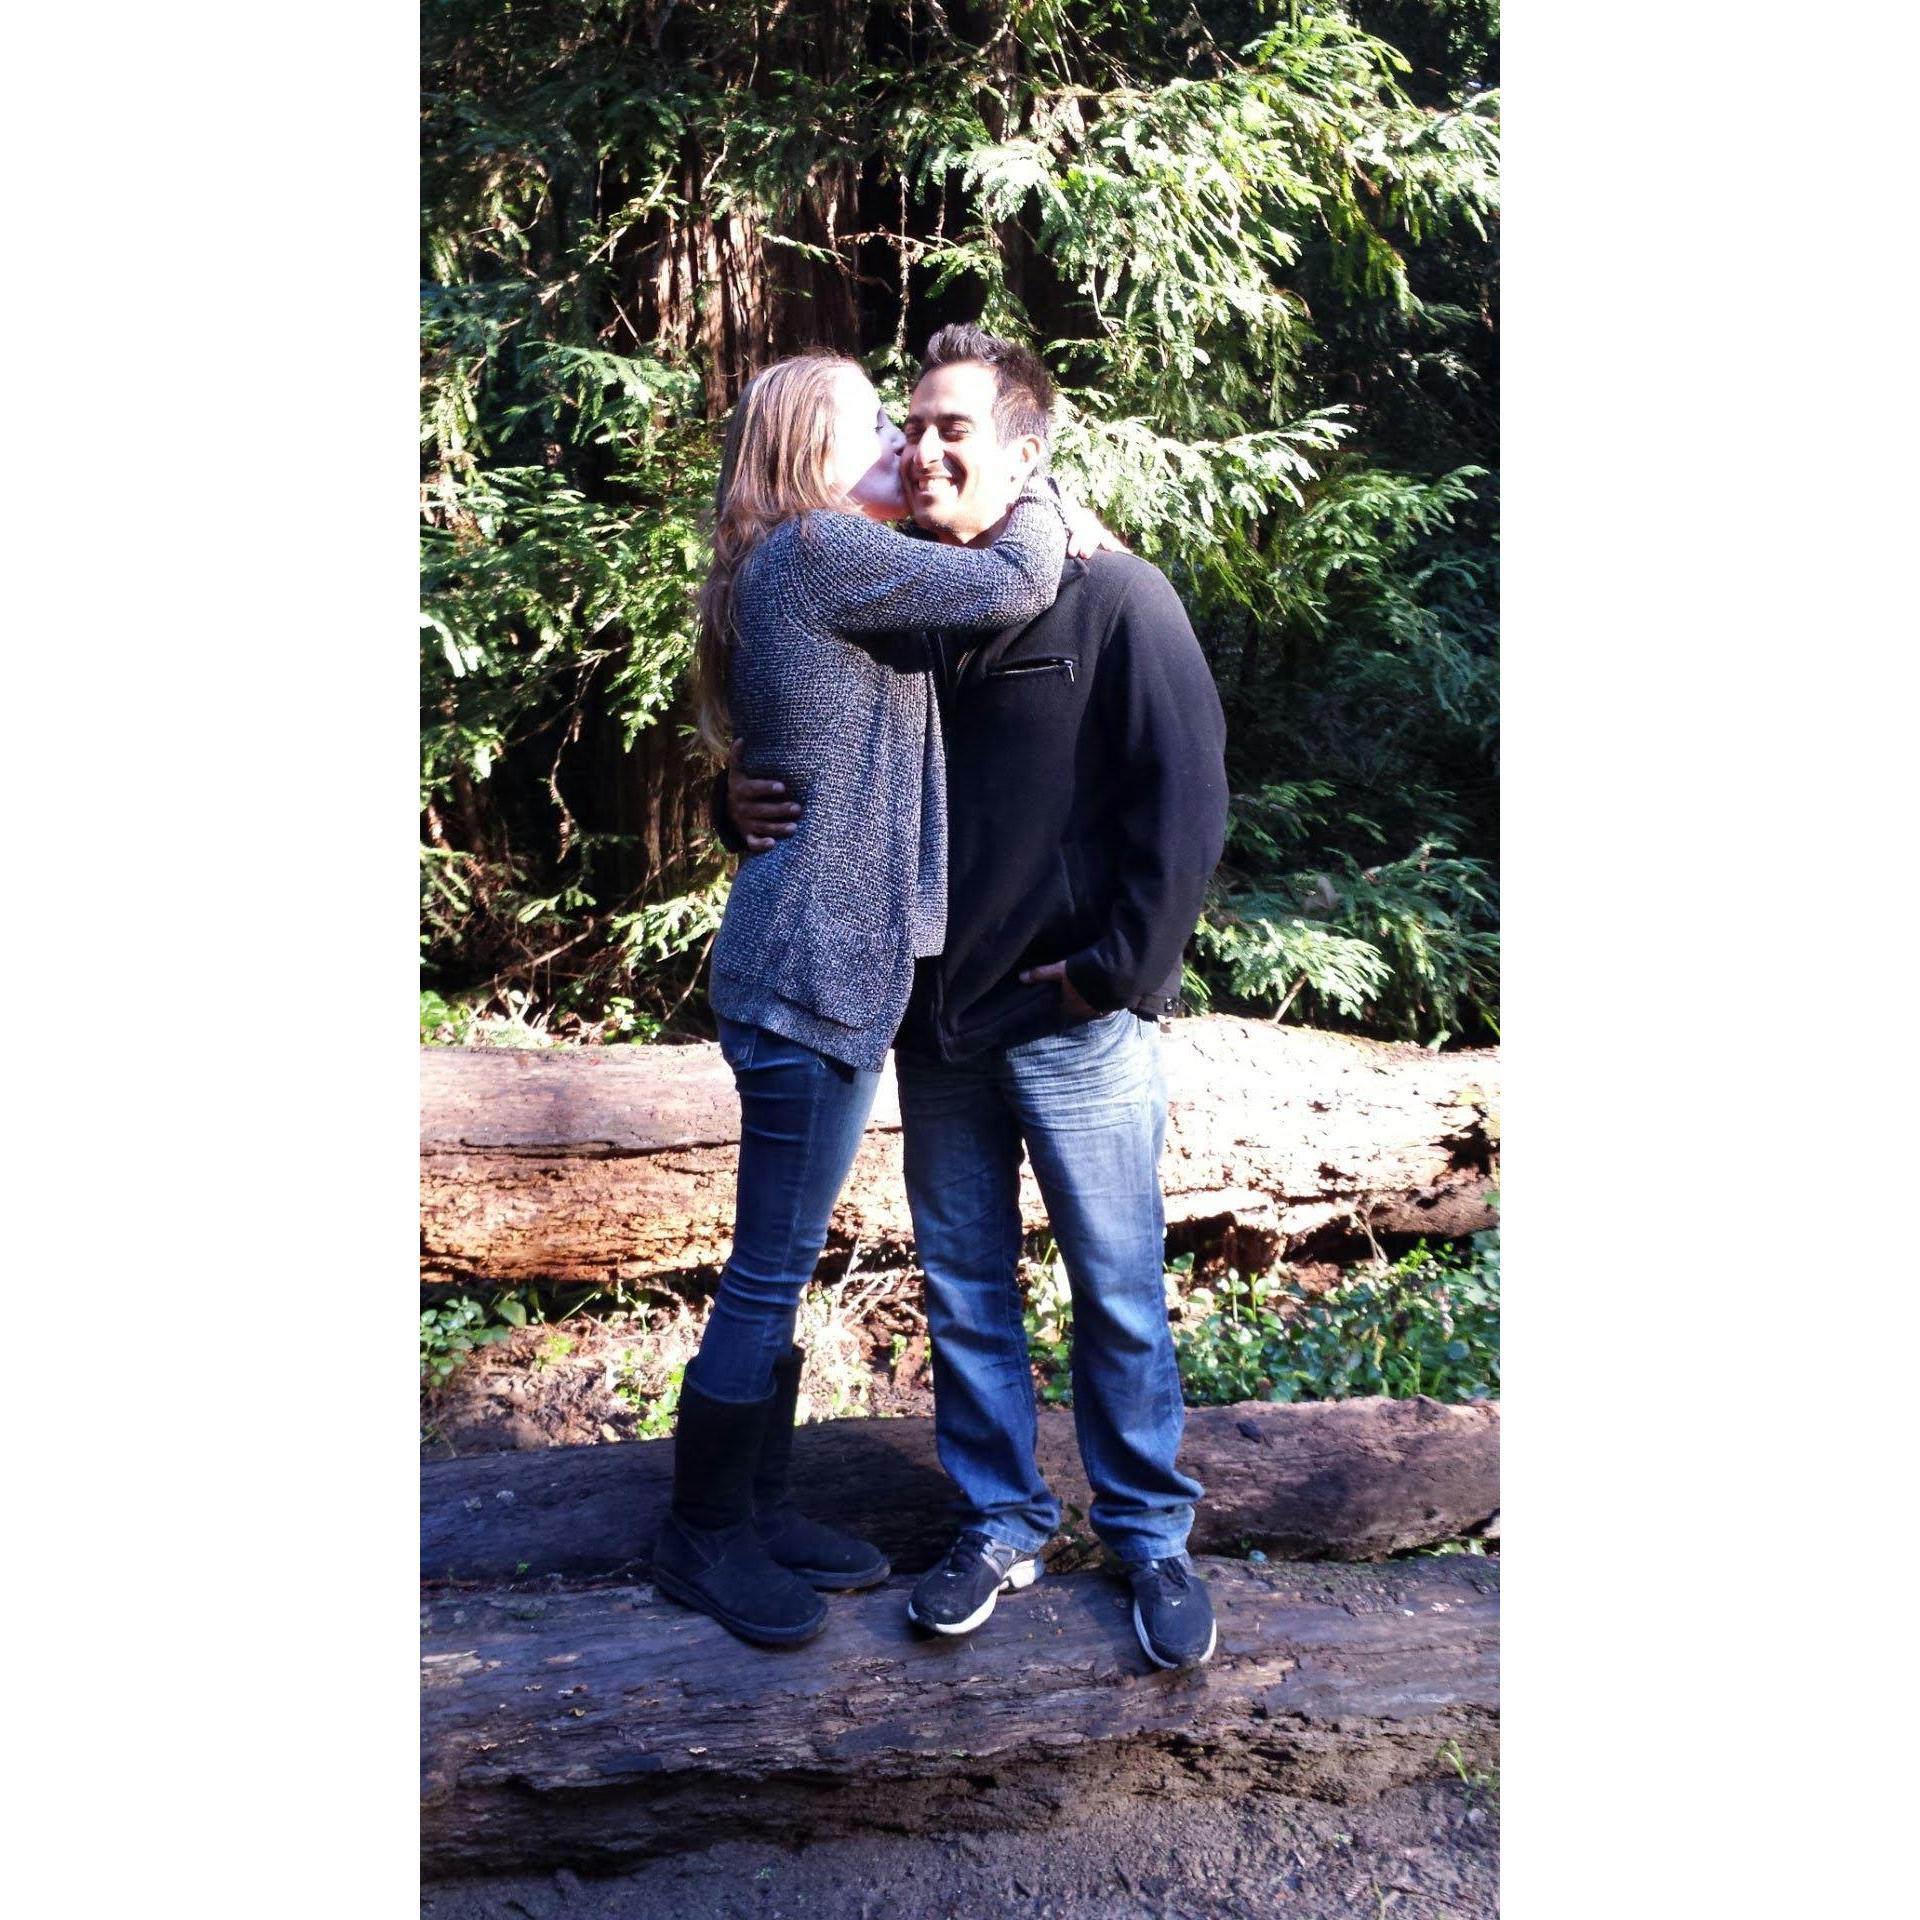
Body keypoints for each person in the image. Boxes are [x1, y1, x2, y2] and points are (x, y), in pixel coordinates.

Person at [721, 325, 1231, 1670]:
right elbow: (809, 756)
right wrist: (735, 800)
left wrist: (1118, 972)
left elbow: (1183, 801)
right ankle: (1001, 1518)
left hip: (1072, 1019)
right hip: (937, 1021)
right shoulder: (910, 601)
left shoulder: (1112, 599)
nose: (929, 446)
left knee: (1118, 1286)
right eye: (916, 424)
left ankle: (1148, 1537)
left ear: (1026, 452)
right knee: (963, 1289)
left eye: (959, 428)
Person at [656, 349, 1107, 1652]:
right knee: (765, 1273)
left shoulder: (828, 564)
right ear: (807, 444)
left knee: (781, 1263)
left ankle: (760, 1503)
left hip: (828, 968)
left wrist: (728, 794)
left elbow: (819, 741)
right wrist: (1048, 496)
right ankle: (705, 1534)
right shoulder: (816, 553)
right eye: (877, 426)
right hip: (807, 974)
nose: (907, 448)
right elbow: (1015, 580)